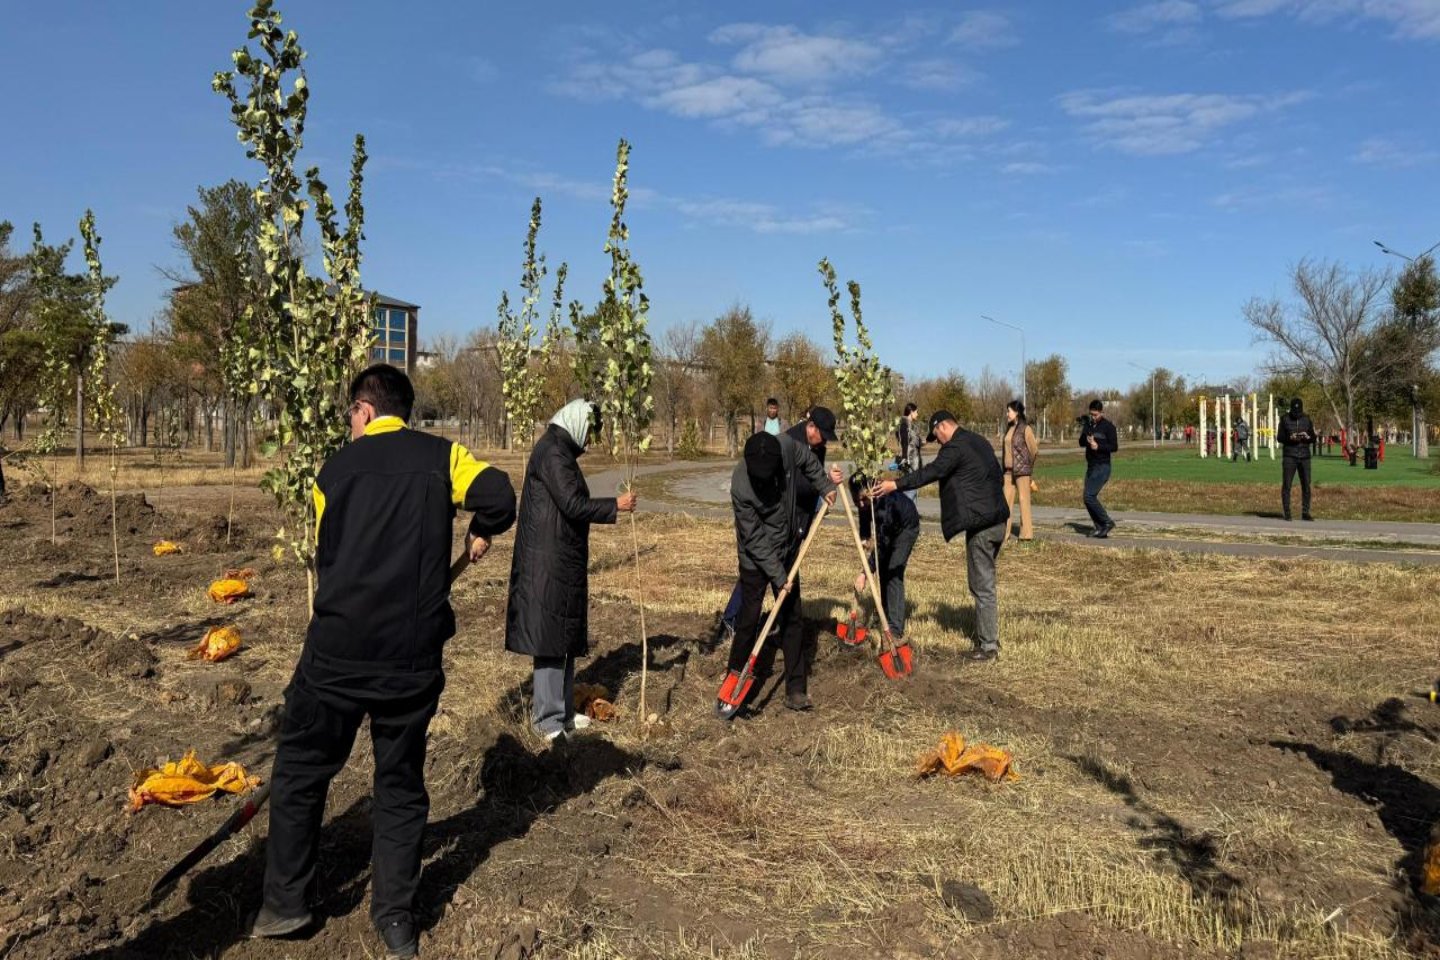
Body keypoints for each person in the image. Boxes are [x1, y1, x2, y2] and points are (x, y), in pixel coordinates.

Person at [252, 364, 516, 959]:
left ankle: (285, 905)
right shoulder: (442, 457)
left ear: (365, 410)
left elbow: (329, 557)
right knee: (399, 784)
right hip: (409, 657)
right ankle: (396, 919)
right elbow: (501, 494)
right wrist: (479, 527)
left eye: (350, 414)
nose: (350, 424)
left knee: (299, 773)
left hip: (335, 654)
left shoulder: (331, 472)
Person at [506, 399, 637, 741]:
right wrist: (615, 506)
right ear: (576, 423)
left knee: (563, 635)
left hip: (560, 558)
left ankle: (563, 711)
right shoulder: (552, 452)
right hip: (547, 562)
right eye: (589, 432)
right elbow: (572, 503)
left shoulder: (560, 451)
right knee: (550, 639)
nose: (589, 441)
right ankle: (546, 720)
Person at [873, 411, 1008, 662]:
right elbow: (996, 475)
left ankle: (989, 646)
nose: (938, 441)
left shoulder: (955, 447)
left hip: (983, 525)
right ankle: (990, 640)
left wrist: (896, 485)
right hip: (998, 519)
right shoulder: (978, 441)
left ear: (944, 426)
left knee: (982, 585)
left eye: (937, 435)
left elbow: (931, 472)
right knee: (983, 582)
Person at [725, 431, 839, 713]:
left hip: (787, 548)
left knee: (792, 616)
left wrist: (824, 485)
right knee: (749, 617)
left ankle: (796, 688)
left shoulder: (787, 448)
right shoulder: (741, 485)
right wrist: (779, 577)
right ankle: (734, 677)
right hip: (755, 558)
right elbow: (753, 539)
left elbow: (810, 463)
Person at [720, 407, 840, 639]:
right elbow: (797, 485)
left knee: (778, 575)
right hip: (775, 520)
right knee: (756, 573)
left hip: (796, 519)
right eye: (822, 434)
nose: (824, 440)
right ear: (811, 426)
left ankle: (781, 624)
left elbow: (812, 475)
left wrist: (825, 486)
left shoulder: (816, 446)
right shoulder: (787, 443)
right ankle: (734, 620)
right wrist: (824, 483)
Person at [853, 473, 920, 641]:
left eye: (863, 500)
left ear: (872, 492)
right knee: (882, 570)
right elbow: (865, 521)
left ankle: (895, 628)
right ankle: (882, 616)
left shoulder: (885, 506)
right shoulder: (867, 500)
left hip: (906, 528)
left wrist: (864, 573)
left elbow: (883, 544)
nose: (861, 504)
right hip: (889, 530)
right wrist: (865, 537)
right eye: (857, 500)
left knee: (893, 572)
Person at [1079, 399, 1118, 538]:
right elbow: (1081, 443)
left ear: (1101, 412)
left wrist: (1098, 446)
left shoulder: (1109, 427)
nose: (1093, 417)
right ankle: (1100, 528)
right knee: (1087, 498)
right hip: (1091, 466)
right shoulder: (1089, 425)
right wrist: (1086, 436)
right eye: (1091, 415)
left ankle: (1107, 522)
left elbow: (1114, 447)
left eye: (1095, 415)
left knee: (1089, 496)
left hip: (1102, 466)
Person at [1001, 400, 1038, 542]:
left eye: (1008, 411)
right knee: (1005, 503)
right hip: (1008, 472)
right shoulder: (1008, 428)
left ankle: (1026, 536)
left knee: (1024, 501)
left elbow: (1034, 450)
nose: (1007, 414)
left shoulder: (1026, 429)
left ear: (1016, 412)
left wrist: (1027, 465)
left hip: (1022, 472)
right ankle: (1004, 534)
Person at [1277, 397, 1315, 521]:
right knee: (1287, 484)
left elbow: (1313, 438)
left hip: (1304, 456)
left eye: (1299, 412)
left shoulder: (1307, 419)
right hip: (1290, 456)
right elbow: (1280, 437)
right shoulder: (1284, 419)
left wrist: (1307, 437)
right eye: (1295, 412)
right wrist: (1290, 437)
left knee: (1306, 485)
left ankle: (1305, 512)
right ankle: (1287, 512)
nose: (1297, 415)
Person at [896, 403, 923, 502]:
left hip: (914, 463)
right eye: (916, 412)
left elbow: (916, 443)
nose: (917, 414)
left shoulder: (912, 427)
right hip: (909, 463)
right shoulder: (904, 425)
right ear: (911, 412)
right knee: (910, 492)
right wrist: (904, 460)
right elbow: (904, 443)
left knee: (914, 491)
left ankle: (912, 515)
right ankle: (906, 514)